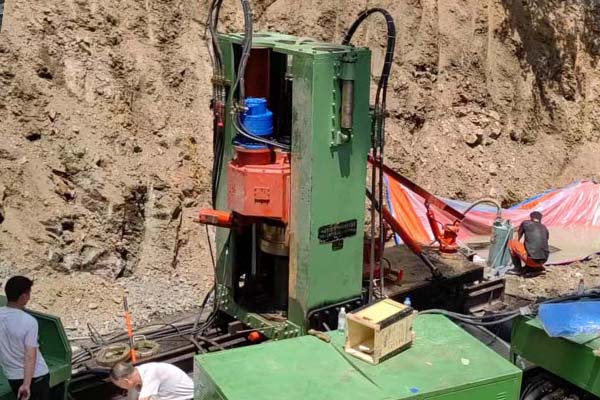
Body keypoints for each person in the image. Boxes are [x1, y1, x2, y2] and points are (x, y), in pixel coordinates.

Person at [0, 276, 50, 400]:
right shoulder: (29, 321)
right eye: (29, 294)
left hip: (12, 377)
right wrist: (26, 385)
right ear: (23, 297)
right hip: (36, 377)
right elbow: (30, 355)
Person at [110, 362, 195, 400]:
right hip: (169, 395)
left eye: (120, 385)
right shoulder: (139, 371)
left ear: (126, 381)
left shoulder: (150, 375)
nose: (122, 388)